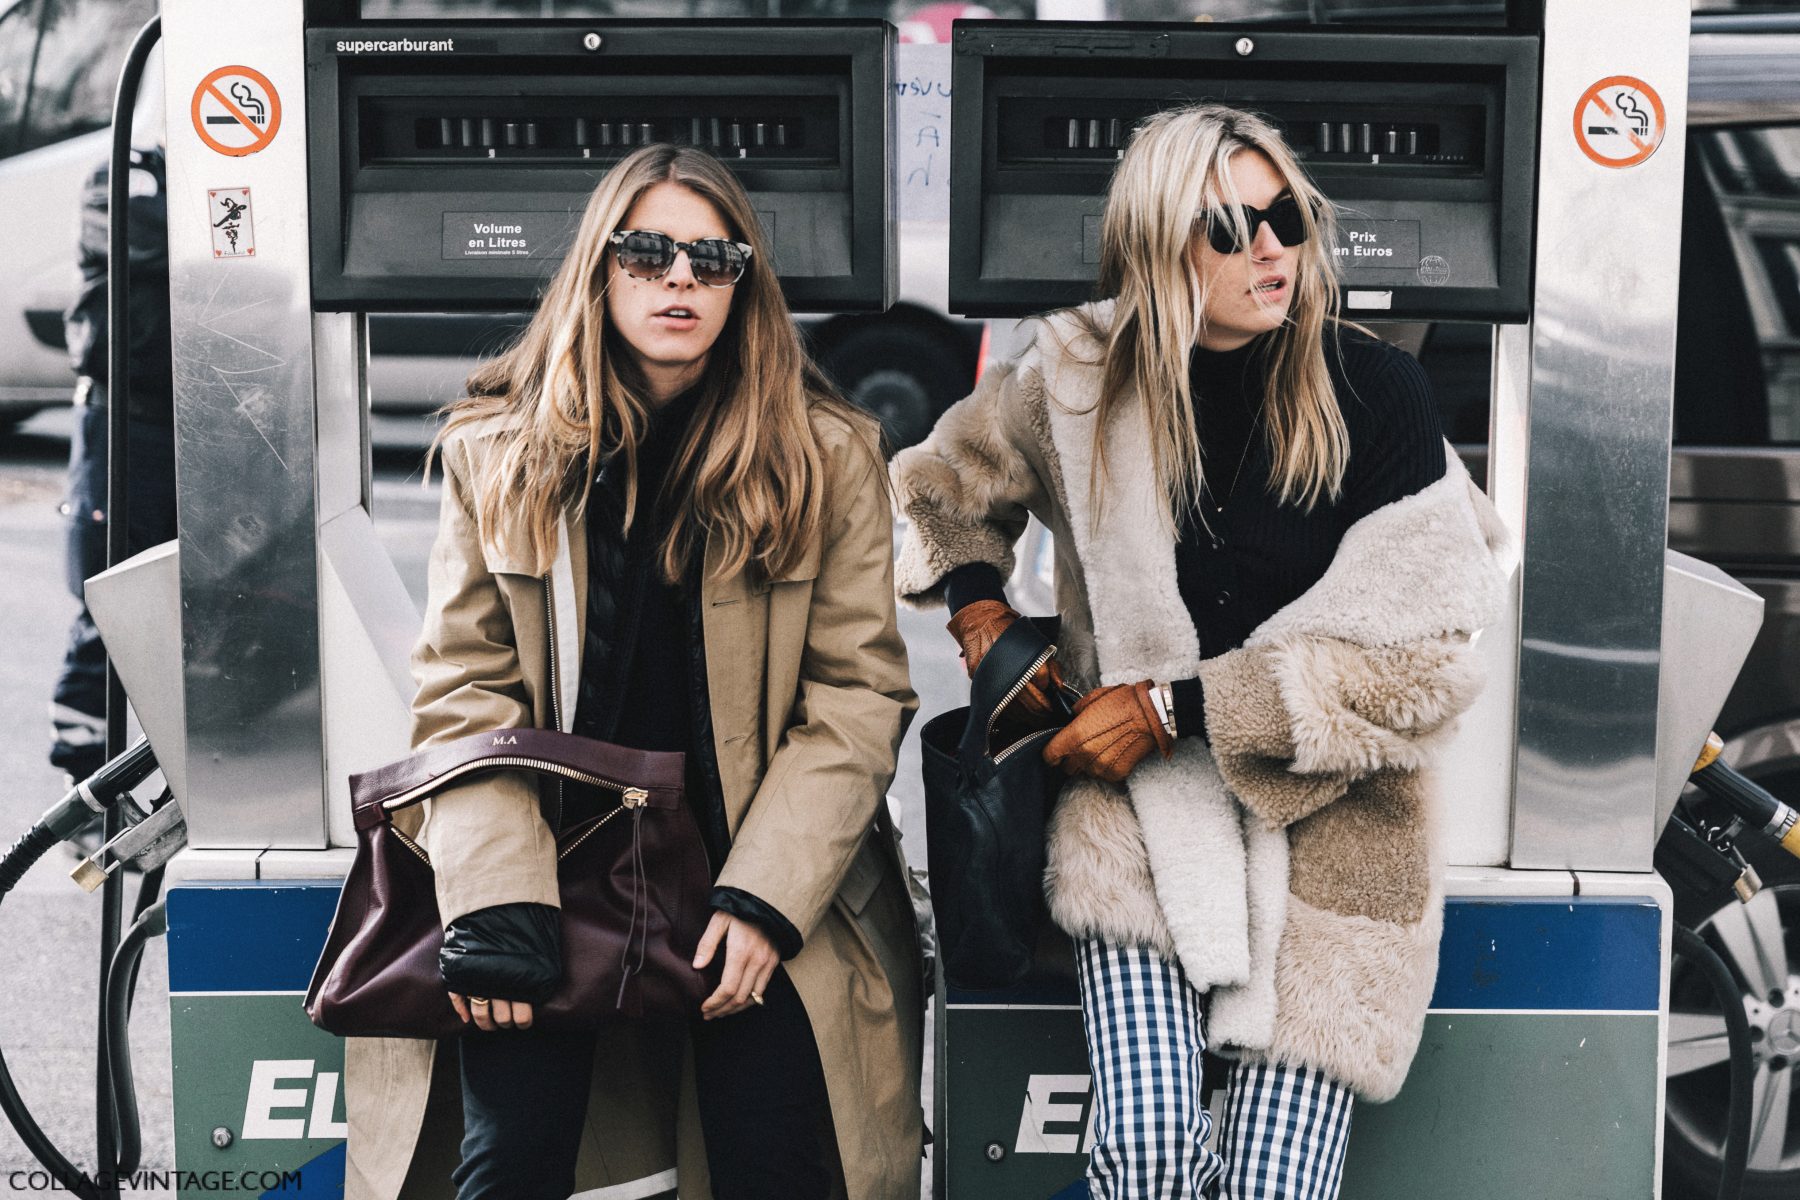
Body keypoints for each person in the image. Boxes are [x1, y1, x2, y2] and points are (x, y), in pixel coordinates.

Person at [893, 104, 1510, 1199]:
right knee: (1143, 1155)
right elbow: (939, 487)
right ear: (1156, 239)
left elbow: (1422, 663)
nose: (1270, 247)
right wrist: (982, 616)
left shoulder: (1377, 394)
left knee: (1276, 1182)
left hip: (1342, 841)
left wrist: (1180, 708)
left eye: (1287, 217)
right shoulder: (1074, 384)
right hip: (1137, 823)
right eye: (1230, 226)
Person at [341, 144, 922, 1200]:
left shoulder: (828, 455)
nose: (680, 278)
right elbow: (464, 693)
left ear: (745, 283)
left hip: (757, 878)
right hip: (549, 876)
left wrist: (763, 902)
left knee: (780, 1160)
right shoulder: (500, 452)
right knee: (507, 1162)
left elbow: (857, 698)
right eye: (648, 252)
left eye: (713, 257)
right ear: (599, 270)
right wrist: (498, 899)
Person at [50, 145, 177, 796]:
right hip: (124, 421)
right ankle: (83, 784)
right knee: (107, 602)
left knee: (206, 609)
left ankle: (181, 789)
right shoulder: (120, 166)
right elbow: (139, 240)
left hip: (207, 418)